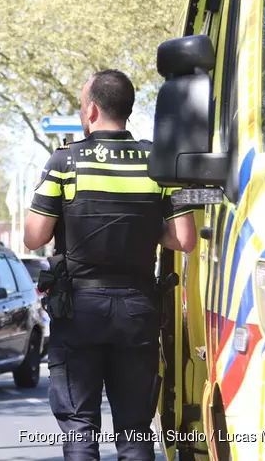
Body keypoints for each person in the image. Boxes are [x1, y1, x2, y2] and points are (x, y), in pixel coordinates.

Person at [24, 69, 196, 461]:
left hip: (79, 311)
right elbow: (183, 240)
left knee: (80, 429)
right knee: (135, 432)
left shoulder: (65, 162)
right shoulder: (157, 162)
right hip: (137, 309)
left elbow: (33, 237)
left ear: (92, 110)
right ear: (129, 110)